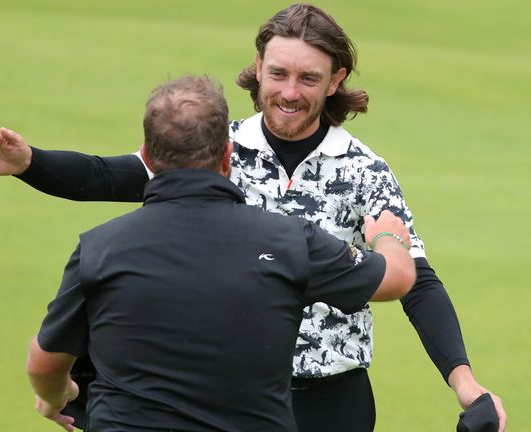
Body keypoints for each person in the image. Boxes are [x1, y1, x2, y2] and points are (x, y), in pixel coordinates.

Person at [0, 4, 507, 431]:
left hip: (331, 400)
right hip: (226, 396)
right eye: (277, 73)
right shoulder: (212, 148)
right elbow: (108, 176)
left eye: (308, 78)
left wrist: (466, 383)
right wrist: (29, 163)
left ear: (336, 78)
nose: (289, 92)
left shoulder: (365, 169)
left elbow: (414, 280)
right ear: (257, 66)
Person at [25, 75, 417, 432]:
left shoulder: (100, 247)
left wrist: (59, 395)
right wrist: (389, 236)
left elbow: (44, 364)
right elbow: (395, 278)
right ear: (227, 156)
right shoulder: (290, 242)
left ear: (146, 154)